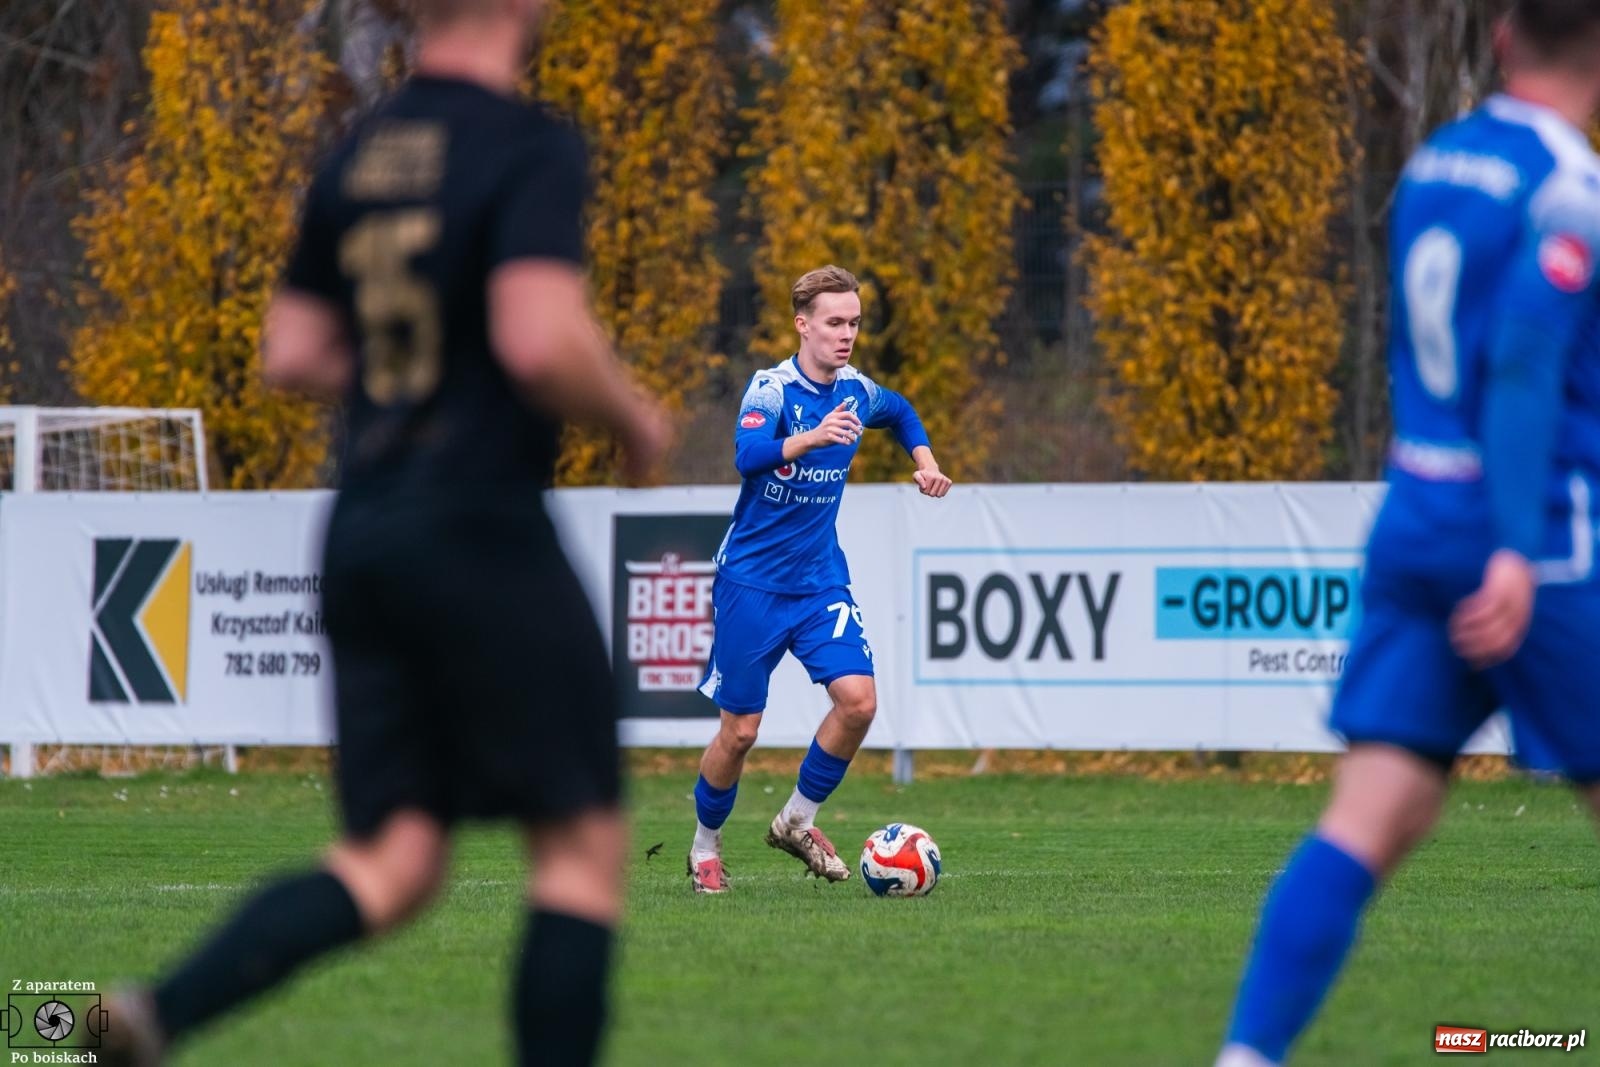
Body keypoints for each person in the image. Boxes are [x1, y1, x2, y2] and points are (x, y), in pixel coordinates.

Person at [104, 1, 669, 1064]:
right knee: (581, 850)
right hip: (479, 519)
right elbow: (538, 336)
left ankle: (142, 1018)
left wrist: (403, 377)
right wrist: (631, 412)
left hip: (363, 524)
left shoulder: (359, 151)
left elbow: (290, 348)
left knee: (396, 857)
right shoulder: (526, 143)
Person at [1217, 3, 1600, 1063]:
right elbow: (1522, 368)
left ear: (1504, 39)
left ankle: (1244, 1056)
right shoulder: (1569, 187)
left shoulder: (1436, 162)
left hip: (1415, 524)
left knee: (1365, 819)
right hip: (1534, 543)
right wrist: (1517, 549)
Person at [686, 265, 952, 893]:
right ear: (802, 325)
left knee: (859, 702)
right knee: (741, 731)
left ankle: (796, 822)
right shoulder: (770, 391)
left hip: (819, 582)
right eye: (835, 322)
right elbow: (746, 457)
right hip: (750, 583)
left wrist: (925, 460)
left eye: (854, 322)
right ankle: (704, 848)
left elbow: (903, 410)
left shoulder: (856, 391)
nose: (847, 334)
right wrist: (808, 438)